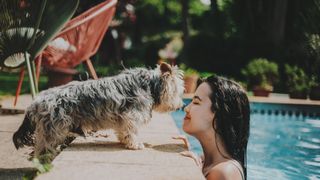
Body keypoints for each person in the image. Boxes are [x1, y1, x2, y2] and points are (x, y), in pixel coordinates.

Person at [179, 75, 250, 180]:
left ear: (219, 115)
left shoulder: (223, 172)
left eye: (196, 102)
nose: (186, 108)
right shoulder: (205, 162)